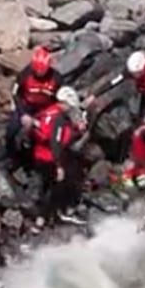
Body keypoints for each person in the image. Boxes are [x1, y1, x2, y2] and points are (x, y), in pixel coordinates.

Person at [31, 86, 87, 226]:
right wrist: (59, 166)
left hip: (39, 154)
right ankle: (59, 213)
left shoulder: (49, 111)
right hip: (49, 157)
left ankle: (43, 218)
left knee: (48, 186)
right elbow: (56, 142)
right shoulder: (59, 119)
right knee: (59, 185)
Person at [6, 46, 61, 160]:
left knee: (45, 135)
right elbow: (15, 93)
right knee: (11, 131)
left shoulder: (56, 78)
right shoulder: (25, 74)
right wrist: (23, 114)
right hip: (26, 106)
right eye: (37, 70)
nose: (39, 73)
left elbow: (59, 98)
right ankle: (11, 156)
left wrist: (50, 114)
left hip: (45, 109)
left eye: (42, 71)